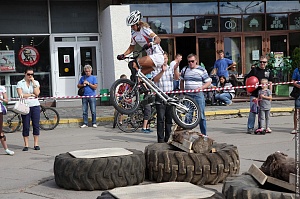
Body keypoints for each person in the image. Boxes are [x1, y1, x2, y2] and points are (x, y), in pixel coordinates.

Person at [117, 10, 164, 78]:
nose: (132, 28)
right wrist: (123, 55)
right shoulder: (133, 34)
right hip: (150, 58)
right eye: (131, 26)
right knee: (136, 77)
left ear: (138, 24)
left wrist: (151, 44)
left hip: (157, 56)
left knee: (133, 64)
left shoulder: (144, 29)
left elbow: (158, 39)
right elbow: (131, 48)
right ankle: (144, 88)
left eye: (133, 25)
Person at [180, 53, 212, 135]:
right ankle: (187, 134)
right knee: (188, 115)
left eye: (192, 61)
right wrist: (182, 91)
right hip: (188, 96)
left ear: (196, 61)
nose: (190, 63)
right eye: (189, 61)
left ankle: (204, 134)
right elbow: (181, 80)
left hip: (198, 95)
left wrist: (201, 88)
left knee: (201, 115)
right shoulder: (185, 69)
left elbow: (208, 82)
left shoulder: (201, 70)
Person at [151, 52, 179, 142]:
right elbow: (155, 79)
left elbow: (177, 78)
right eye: (163, 59)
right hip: (160, 94)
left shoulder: (171, 68)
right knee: (160, 118)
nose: (164, 60)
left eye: (166, 58)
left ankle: (167, 138)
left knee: (169, 118)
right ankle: (160, 139)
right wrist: (162, 71)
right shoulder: (156, 69)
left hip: (169, 94)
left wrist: (175, 69)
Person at [244, 56, 273, 134]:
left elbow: (270, 83)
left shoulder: (268, 71)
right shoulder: (255, 70)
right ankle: (250, 128)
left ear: (266, 63)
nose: (262, 63)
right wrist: (247, 90)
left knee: (262, 113)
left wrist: (270, 94)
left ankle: (261, 127)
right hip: (254, 94)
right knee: (253, 111)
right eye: (261, 62)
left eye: (264, 62)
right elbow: (247, 78)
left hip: (264, 97)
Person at [16, 67, 41, 151]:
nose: (30, 76)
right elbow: (21, 95)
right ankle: (26, 145)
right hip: (25, 106)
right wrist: (31, 95)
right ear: (25, 74)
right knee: (26, 125)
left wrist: (33, 81)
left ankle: (36, 144)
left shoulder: (35, 82)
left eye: (32, 74)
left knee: (36, 125)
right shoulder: (20, 83)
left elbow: (37, 93)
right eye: (28, 74)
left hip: (35, 105)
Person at [0, 86, 14, 155]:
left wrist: (1, 99)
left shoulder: (1, 88)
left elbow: (6, 100)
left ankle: (6, 149)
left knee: (0, 131)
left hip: (0, 111)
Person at [291, 66, 300, 134]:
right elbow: (292, 81)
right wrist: (297, 85)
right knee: (297, 110)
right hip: (298, 93)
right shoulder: (296, 70)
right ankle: (295, 128)